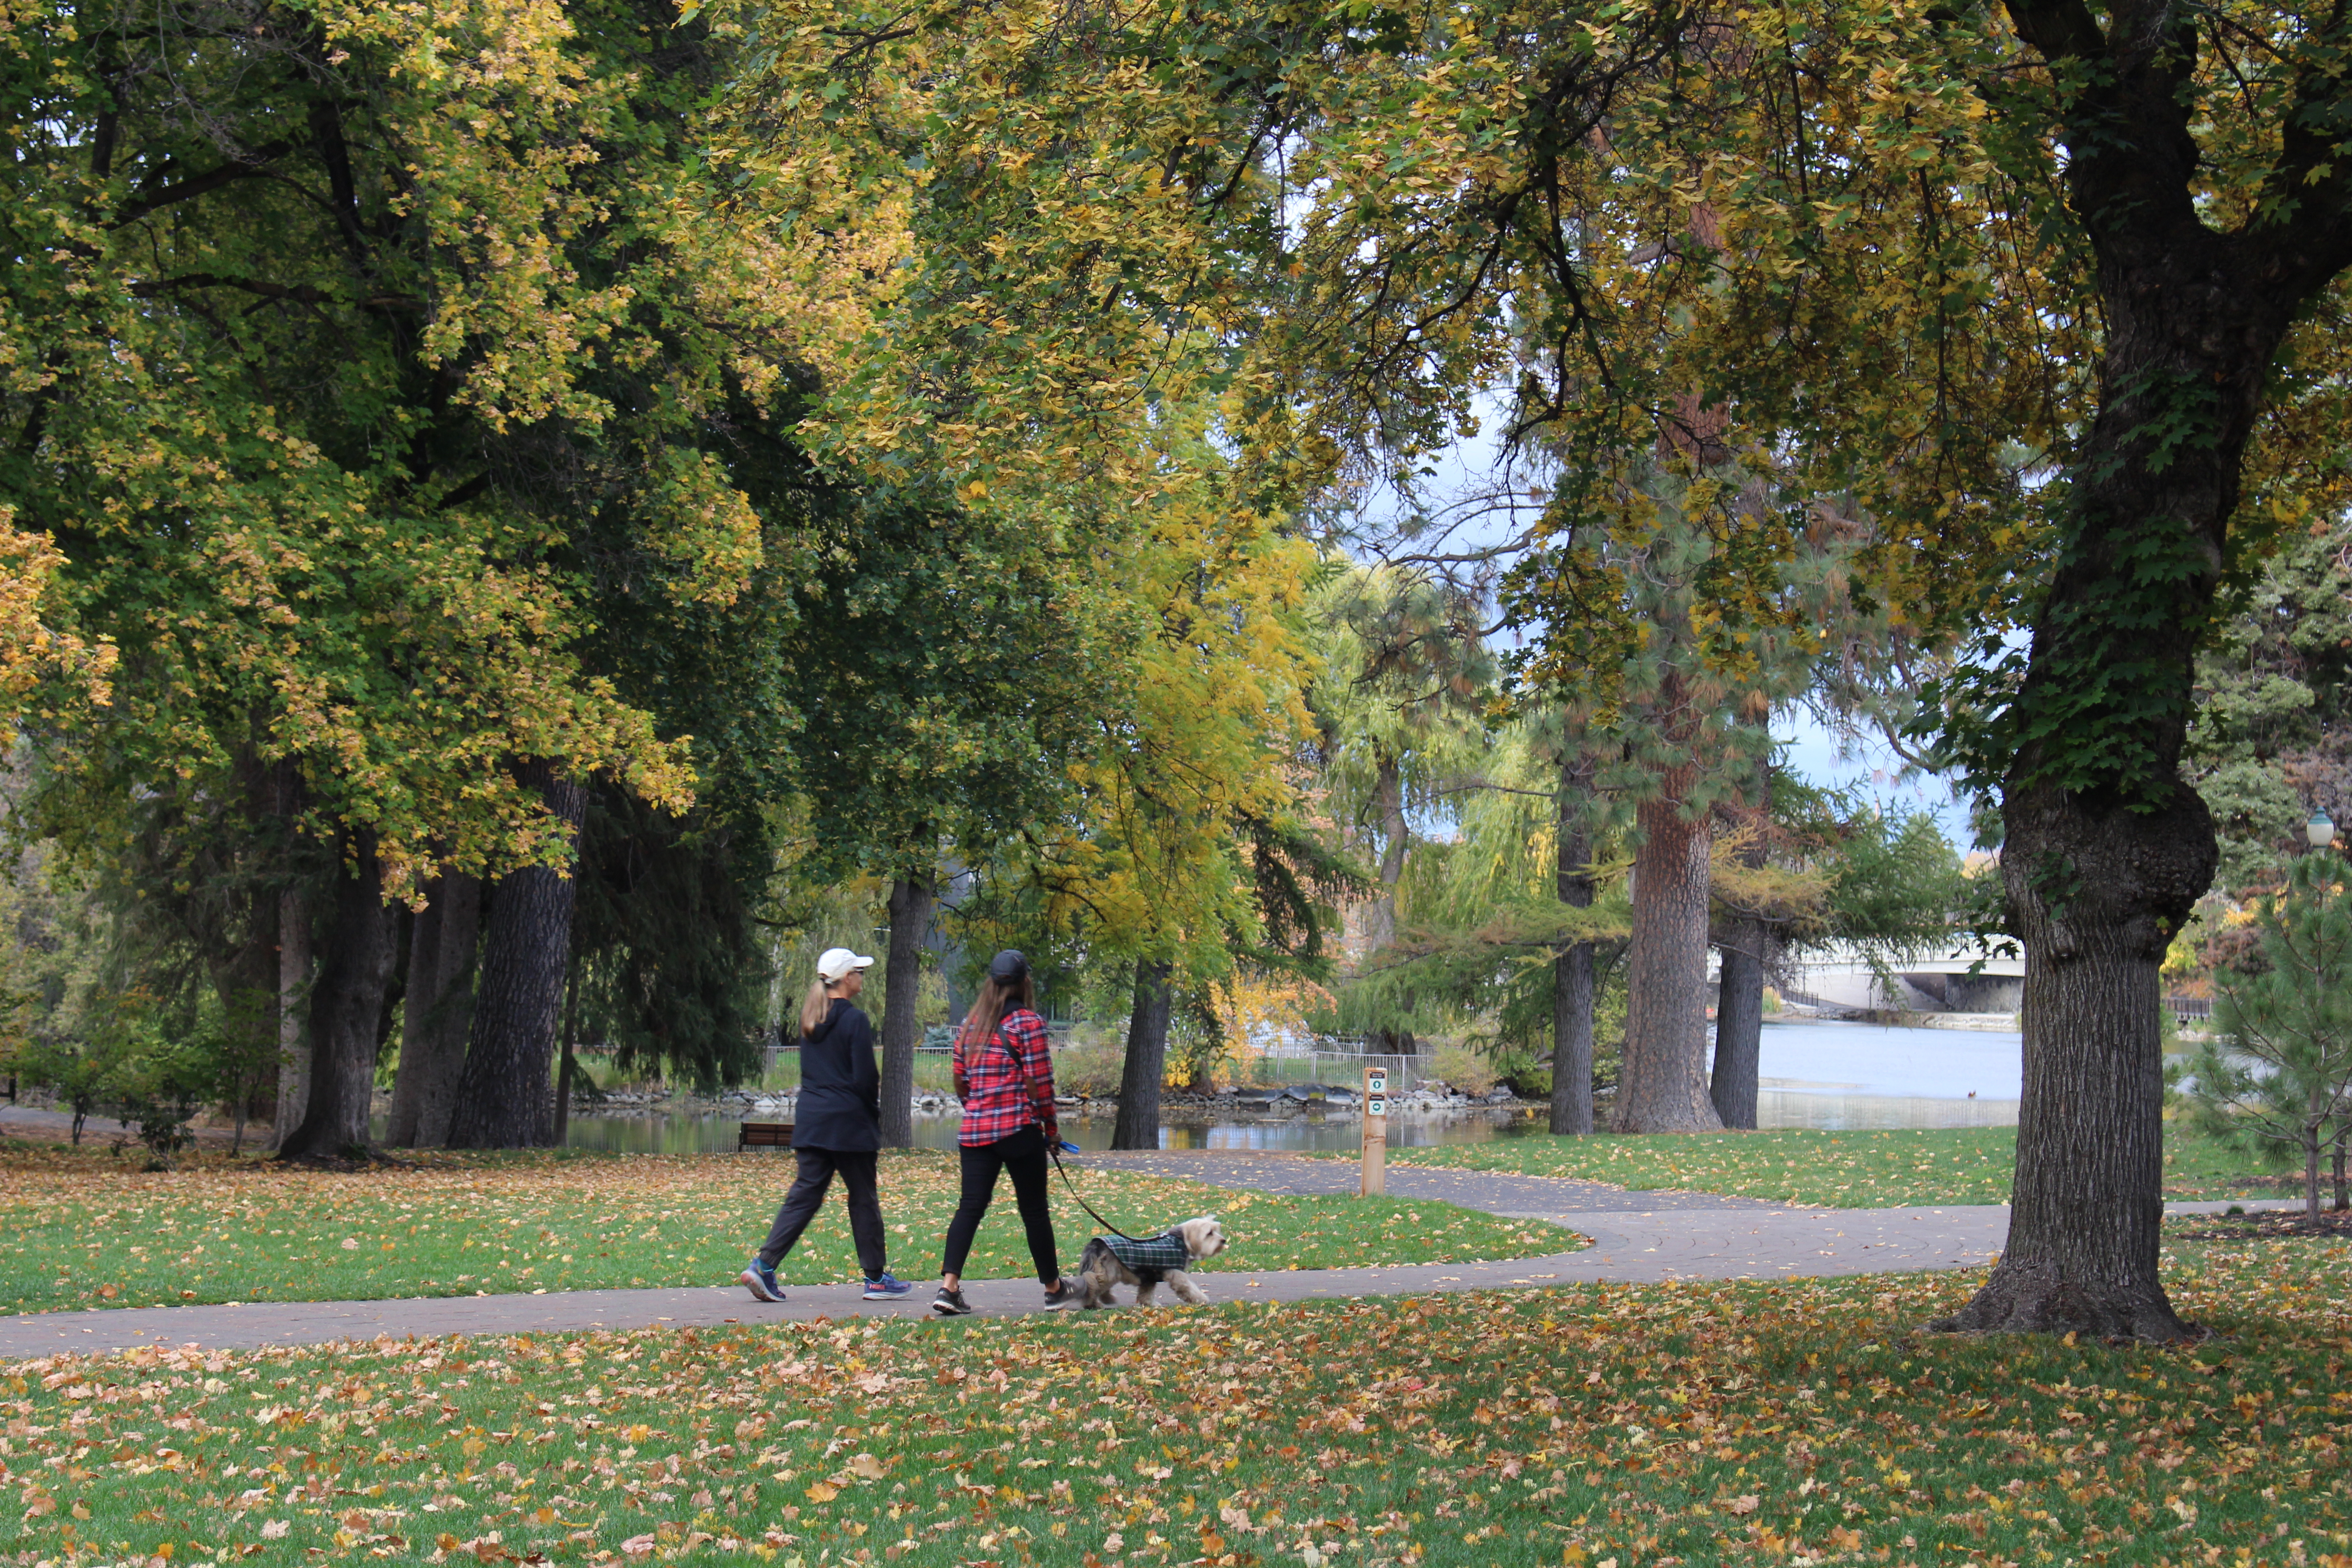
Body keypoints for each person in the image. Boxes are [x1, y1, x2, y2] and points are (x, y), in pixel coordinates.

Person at [738, 947, 913, 1304]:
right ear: (847, 979)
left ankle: (764, 1265)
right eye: (859, 973)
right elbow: (865, 1077)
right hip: (849, 1123)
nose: (862, 978)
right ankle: (876, 1279)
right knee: (863, 1199)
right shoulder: (855, 1021)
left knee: (804, 1196)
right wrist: (871, 1114)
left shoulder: (811, 1019)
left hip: (813, 1120)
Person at [931, 949, 1075, 1315]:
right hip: (1018, 1131)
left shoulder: (970, 1024)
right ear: (1025, 982)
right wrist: (1051, 1129)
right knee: (1034, 1211)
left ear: (992, 984)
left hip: (976, 1133)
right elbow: (1041, 1084)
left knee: (970, 1207)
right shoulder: (1029, 1023)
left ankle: (948, 1288)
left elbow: (961, 1081)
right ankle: (1054, 1289)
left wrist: (980, 1111)